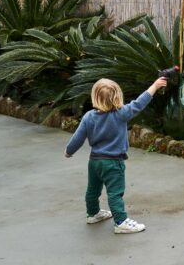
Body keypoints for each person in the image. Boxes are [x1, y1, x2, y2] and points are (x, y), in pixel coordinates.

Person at [64, 77, 167, 234]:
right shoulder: (121, 114)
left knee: (93, 189)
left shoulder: (89, 116)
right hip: (113, 162)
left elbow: (78, 137)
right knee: (115, 193)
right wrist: (155, 85)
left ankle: (92, 213)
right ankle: (121, 222)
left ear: (95, 96)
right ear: (117, 97)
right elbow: (139, 103)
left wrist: (69, 151)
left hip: (94, 161)